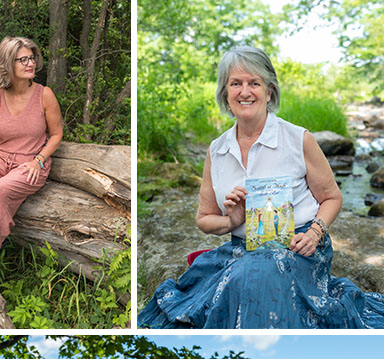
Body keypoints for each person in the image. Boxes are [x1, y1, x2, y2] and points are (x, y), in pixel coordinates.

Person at [138, 46, 384, 328]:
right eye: (236, 83)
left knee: (254, 279)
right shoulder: (217, 150)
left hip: (298, 247)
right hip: (243, 249)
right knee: (236, 279)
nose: (245, 92)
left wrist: (315, 234)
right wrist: (233, 220)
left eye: (254, 83)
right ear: (225, 93)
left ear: (269, 92)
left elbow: (332, 198)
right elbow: (204, 219)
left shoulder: (297, 139)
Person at [0, 36, 63, 301]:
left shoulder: (44, 95)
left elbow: (56, 135)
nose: (30, 63)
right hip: (2, 159)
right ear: (8, 64)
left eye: (32, 58)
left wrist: (39, 159)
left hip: (32, 164)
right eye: (23, 59)